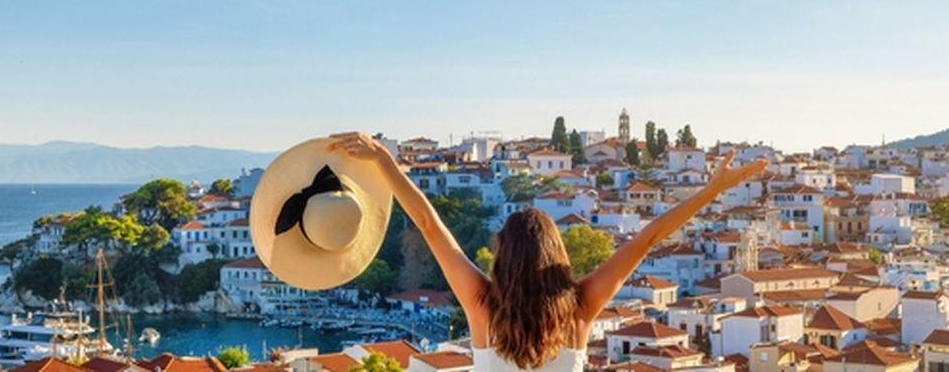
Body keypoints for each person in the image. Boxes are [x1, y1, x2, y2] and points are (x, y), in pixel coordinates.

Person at [327, 132, 768, 372]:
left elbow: (428, 224)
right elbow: (647, 239)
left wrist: (383, 160)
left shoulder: (481, 305)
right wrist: (711, 190)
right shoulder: (579, 308)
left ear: (504, 258)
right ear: (557, 254)